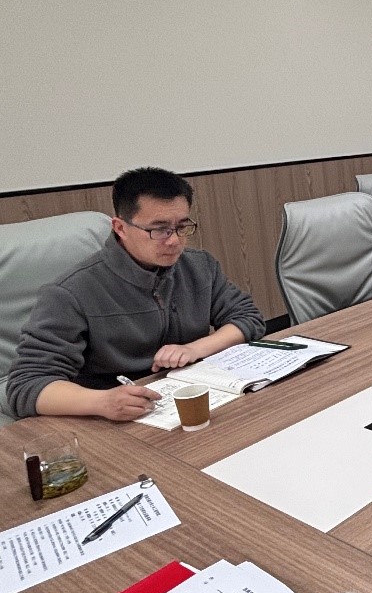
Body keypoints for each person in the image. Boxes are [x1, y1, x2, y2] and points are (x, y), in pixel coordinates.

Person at [5, 167, 264, 421]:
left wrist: (193, 349)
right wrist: (102, 402)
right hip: (113, 416)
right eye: (159, 229)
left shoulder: (199, 266)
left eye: (182, 227)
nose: (174, 241)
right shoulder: (70, 292)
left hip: (189, 399)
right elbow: (26, 385)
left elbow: (248, 318)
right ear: (120, 228)